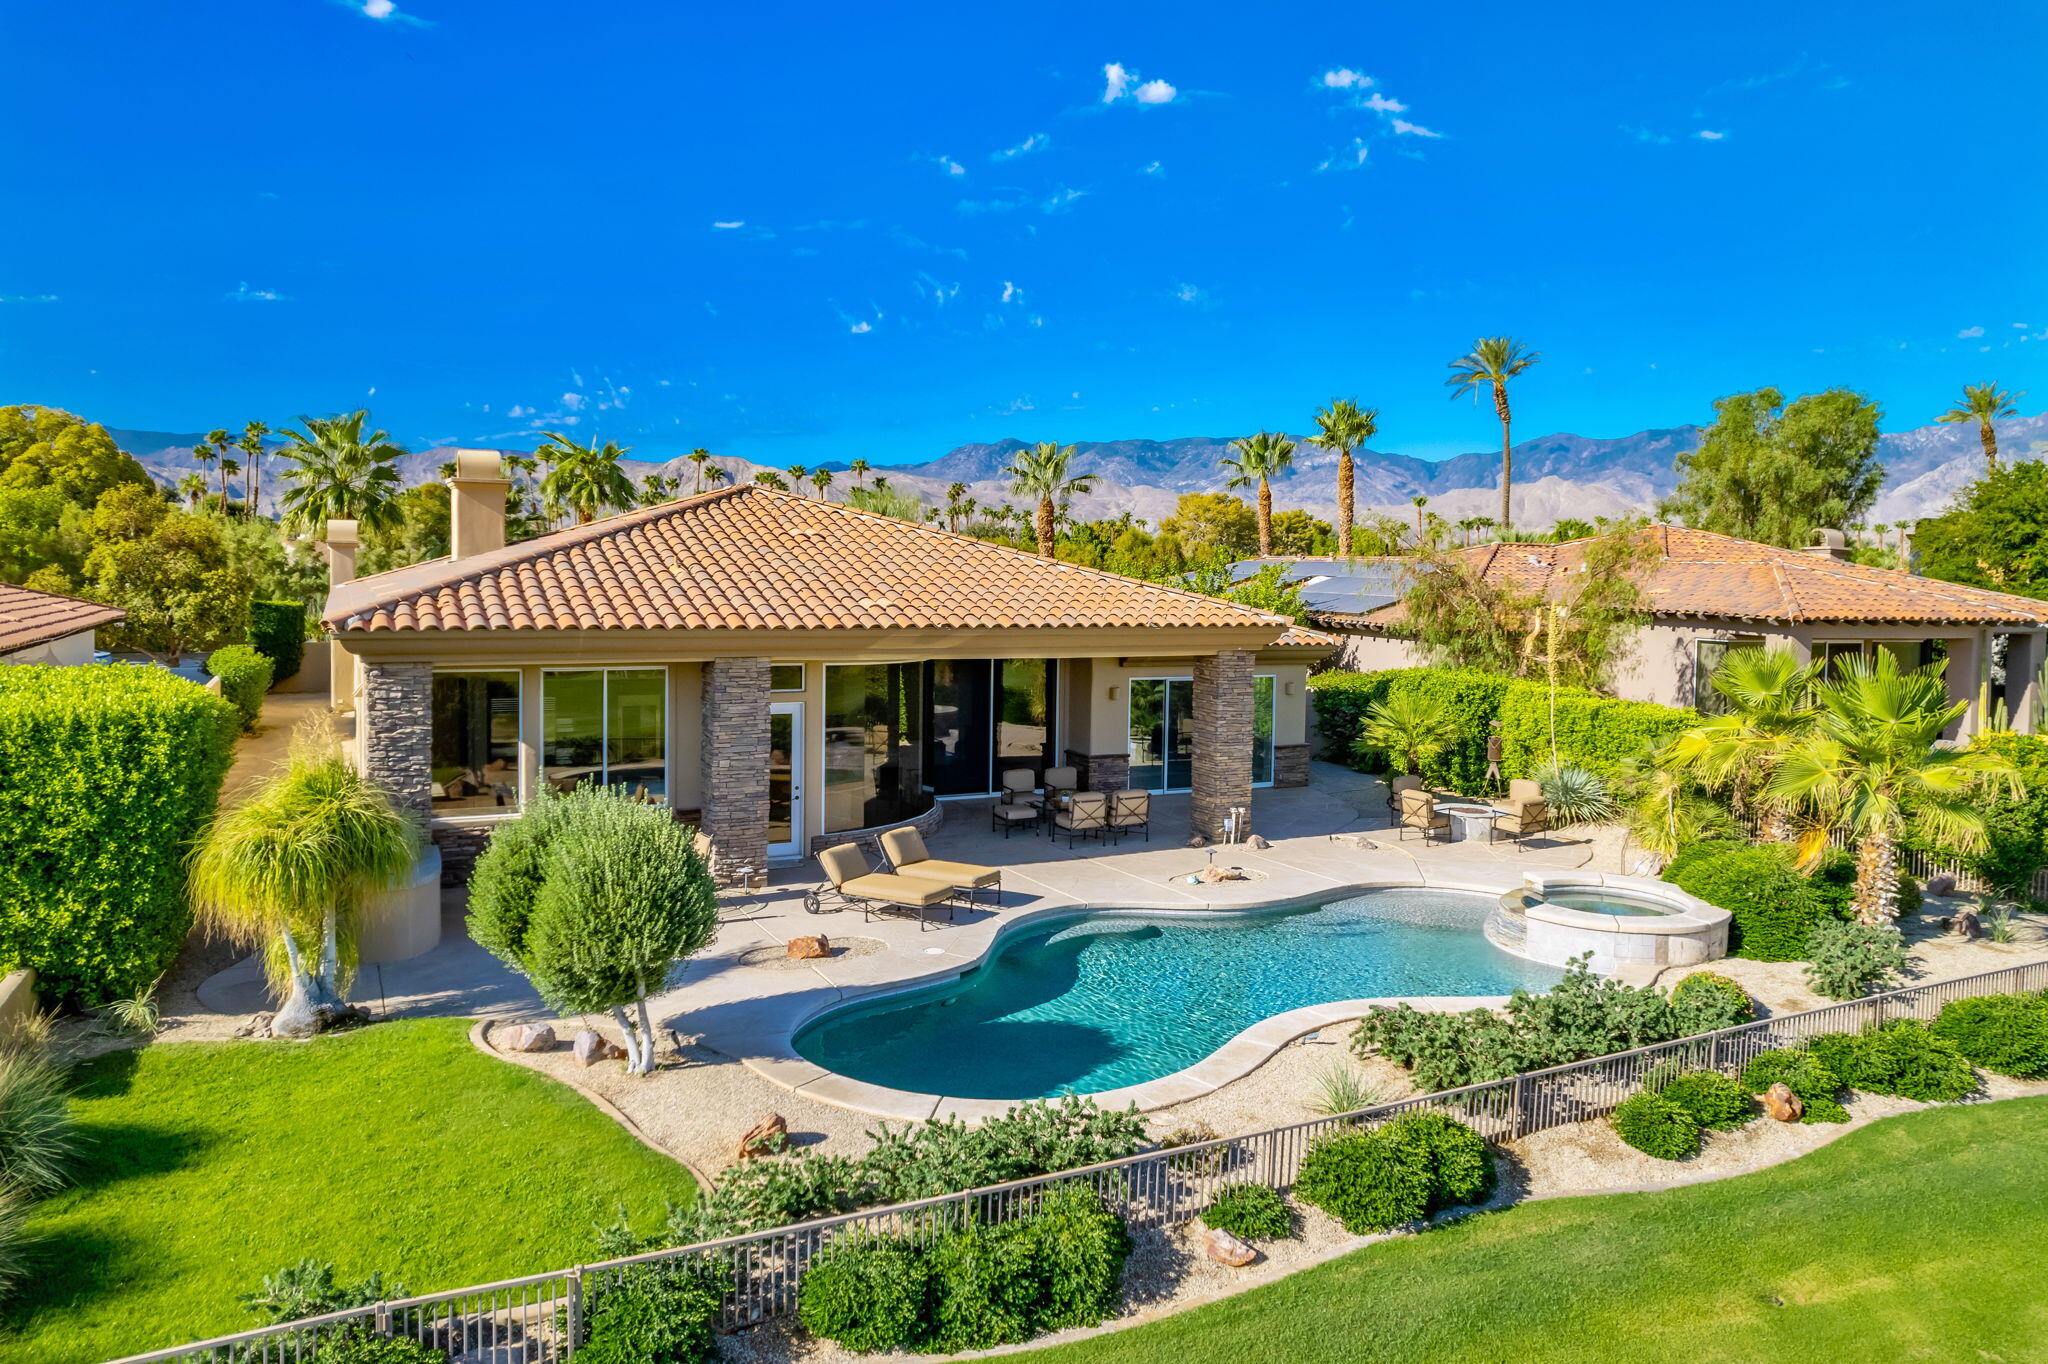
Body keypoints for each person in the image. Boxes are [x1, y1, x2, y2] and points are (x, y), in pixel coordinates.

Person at [1484, 719, 1504, 791]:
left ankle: (1498, 790)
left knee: (1495, 777)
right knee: (1492, 777)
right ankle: (1498, 790)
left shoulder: (1496, 739)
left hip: (1495, 757)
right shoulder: (1492, 738)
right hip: (1492, 757)